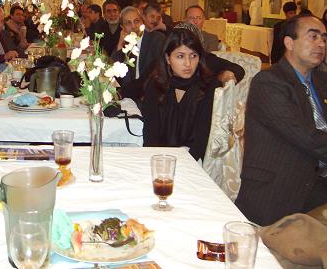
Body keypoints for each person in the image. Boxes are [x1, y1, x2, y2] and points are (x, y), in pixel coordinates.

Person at [235, 15, 327, 226]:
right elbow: (305, 136)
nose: (321, 44)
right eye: (313, 37)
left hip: (317, 185)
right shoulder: (268, 82)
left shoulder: (322, 80)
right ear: (289, 43)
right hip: (278, 189)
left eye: (324, 38)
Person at [138, 28, 221, 161]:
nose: (188, 63)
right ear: (168, 58)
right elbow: (150, 133)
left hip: (193, 160)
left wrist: (185, 164)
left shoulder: (208, 87)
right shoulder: (155, 86)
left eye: (193, 56)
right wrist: (157, 160)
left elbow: (202, 138)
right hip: (158, 157)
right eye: (180, 56)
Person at [111, 6, 166, 98]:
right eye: (128, 23)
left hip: (149, 95)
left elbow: (159, 74)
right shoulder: (124, 45)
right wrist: (120, 44)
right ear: (122, 27)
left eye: (136, 21)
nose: (133, 26)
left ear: (142, 22)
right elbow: (113, 72)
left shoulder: (156, 39)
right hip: (128, 96)